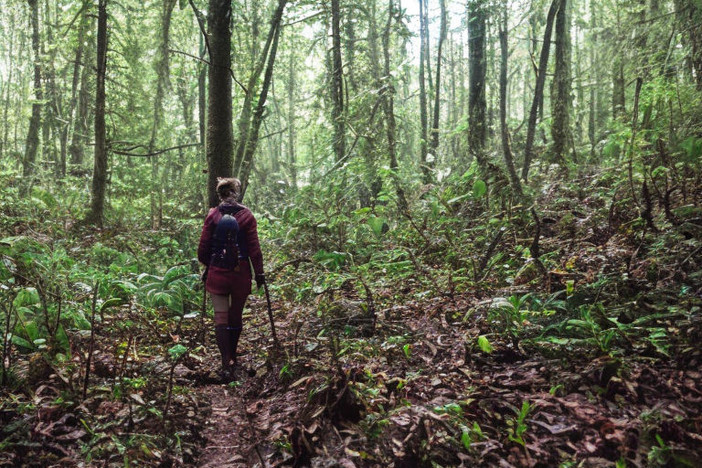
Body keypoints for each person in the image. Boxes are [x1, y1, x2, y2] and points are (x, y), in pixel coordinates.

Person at [197, 177, 265, 379]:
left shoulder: (213, 215)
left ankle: (225, 360)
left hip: (217, 272)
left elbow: (203, 248)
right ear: (235, 193)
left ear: (220, 194)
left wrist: (208, 266)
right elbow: (254, 248)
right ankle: (234, 357)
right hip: (240, 272)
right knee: (235, 316)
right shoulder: (247, 216)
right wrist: (259, 273)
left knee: (220, 317)